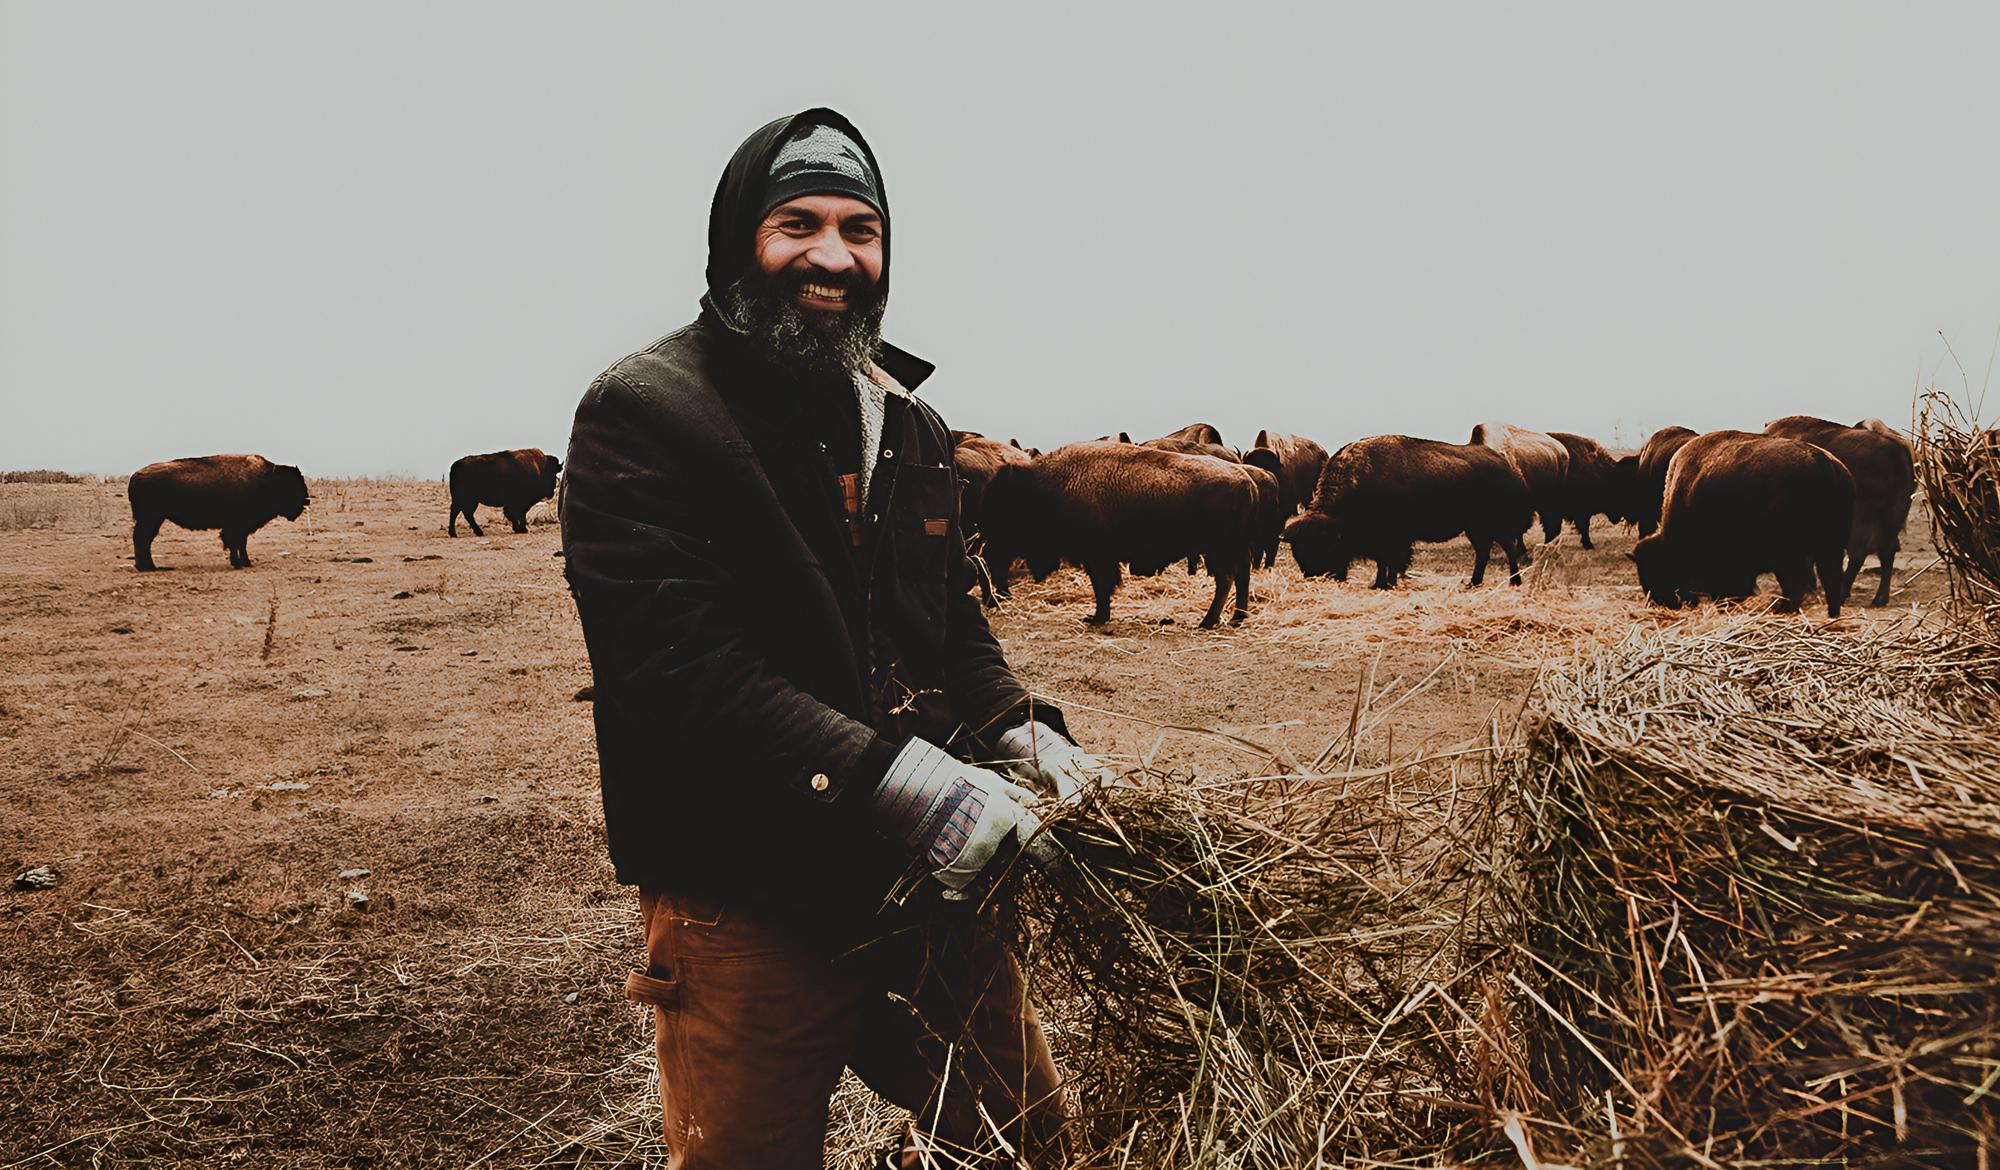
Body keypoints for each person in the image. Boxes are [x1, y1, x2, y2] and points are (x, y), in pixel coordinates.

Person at [559, 108, 1108, 1169]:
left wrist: (1020, 730)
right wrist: (903, 784)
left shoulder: (906, 421)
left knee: (1021, 1138)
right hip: (745, 892)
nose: (833, 256)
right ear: (738, 241)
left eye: (862, 231)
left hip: (923, 886)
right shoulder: (646, 411)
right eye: (797, 225)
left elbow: (949, 622)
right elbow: (680, 670)